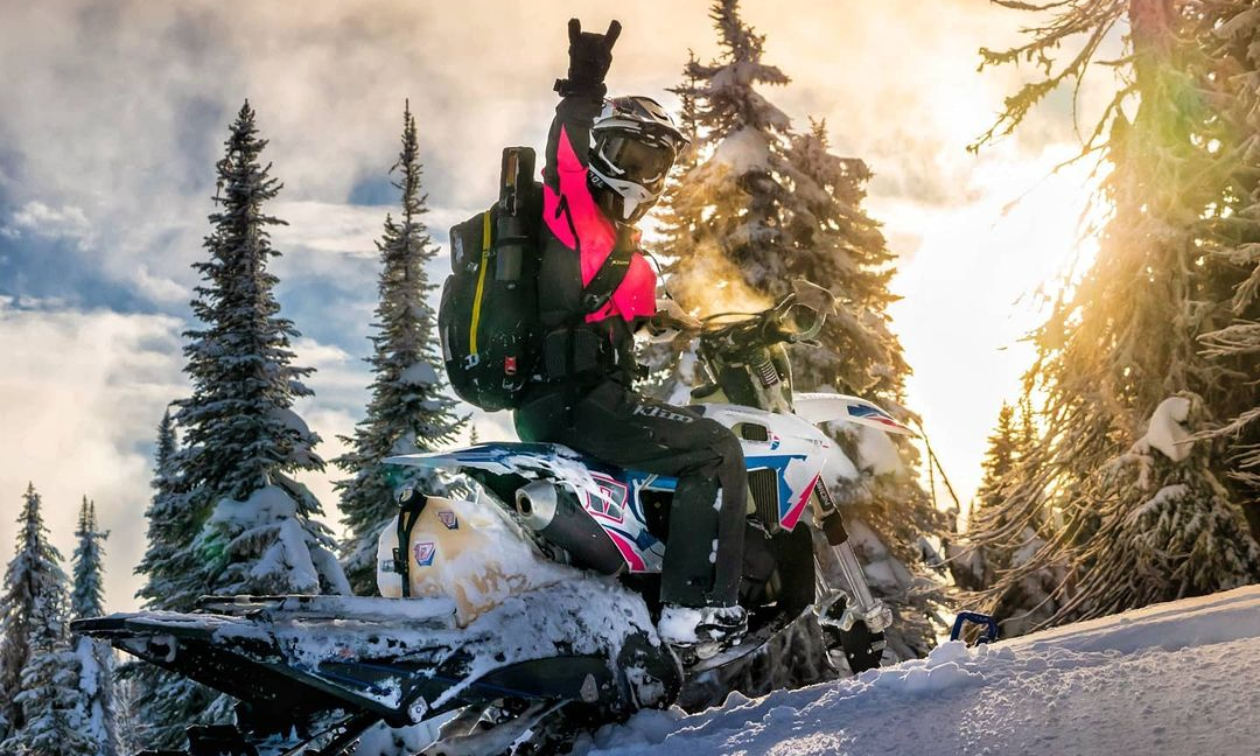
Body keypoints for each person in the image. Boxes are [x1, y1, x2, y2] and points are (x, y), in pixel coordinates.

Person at [512, 18, 748, 655]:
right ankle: (695, 612)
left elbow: (653, 308)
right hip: (576, 405)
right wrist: (584, 87)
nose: (640, 174)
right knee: (716, 450)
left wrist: (692, 321)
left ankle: (646, 597)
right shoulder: (573, 212)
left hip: (578, 404)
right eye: (628, 157)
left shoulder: (622, 252)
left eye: (656, 164)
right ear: (601, 153)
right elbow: (565, 147)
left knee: (688, 444)